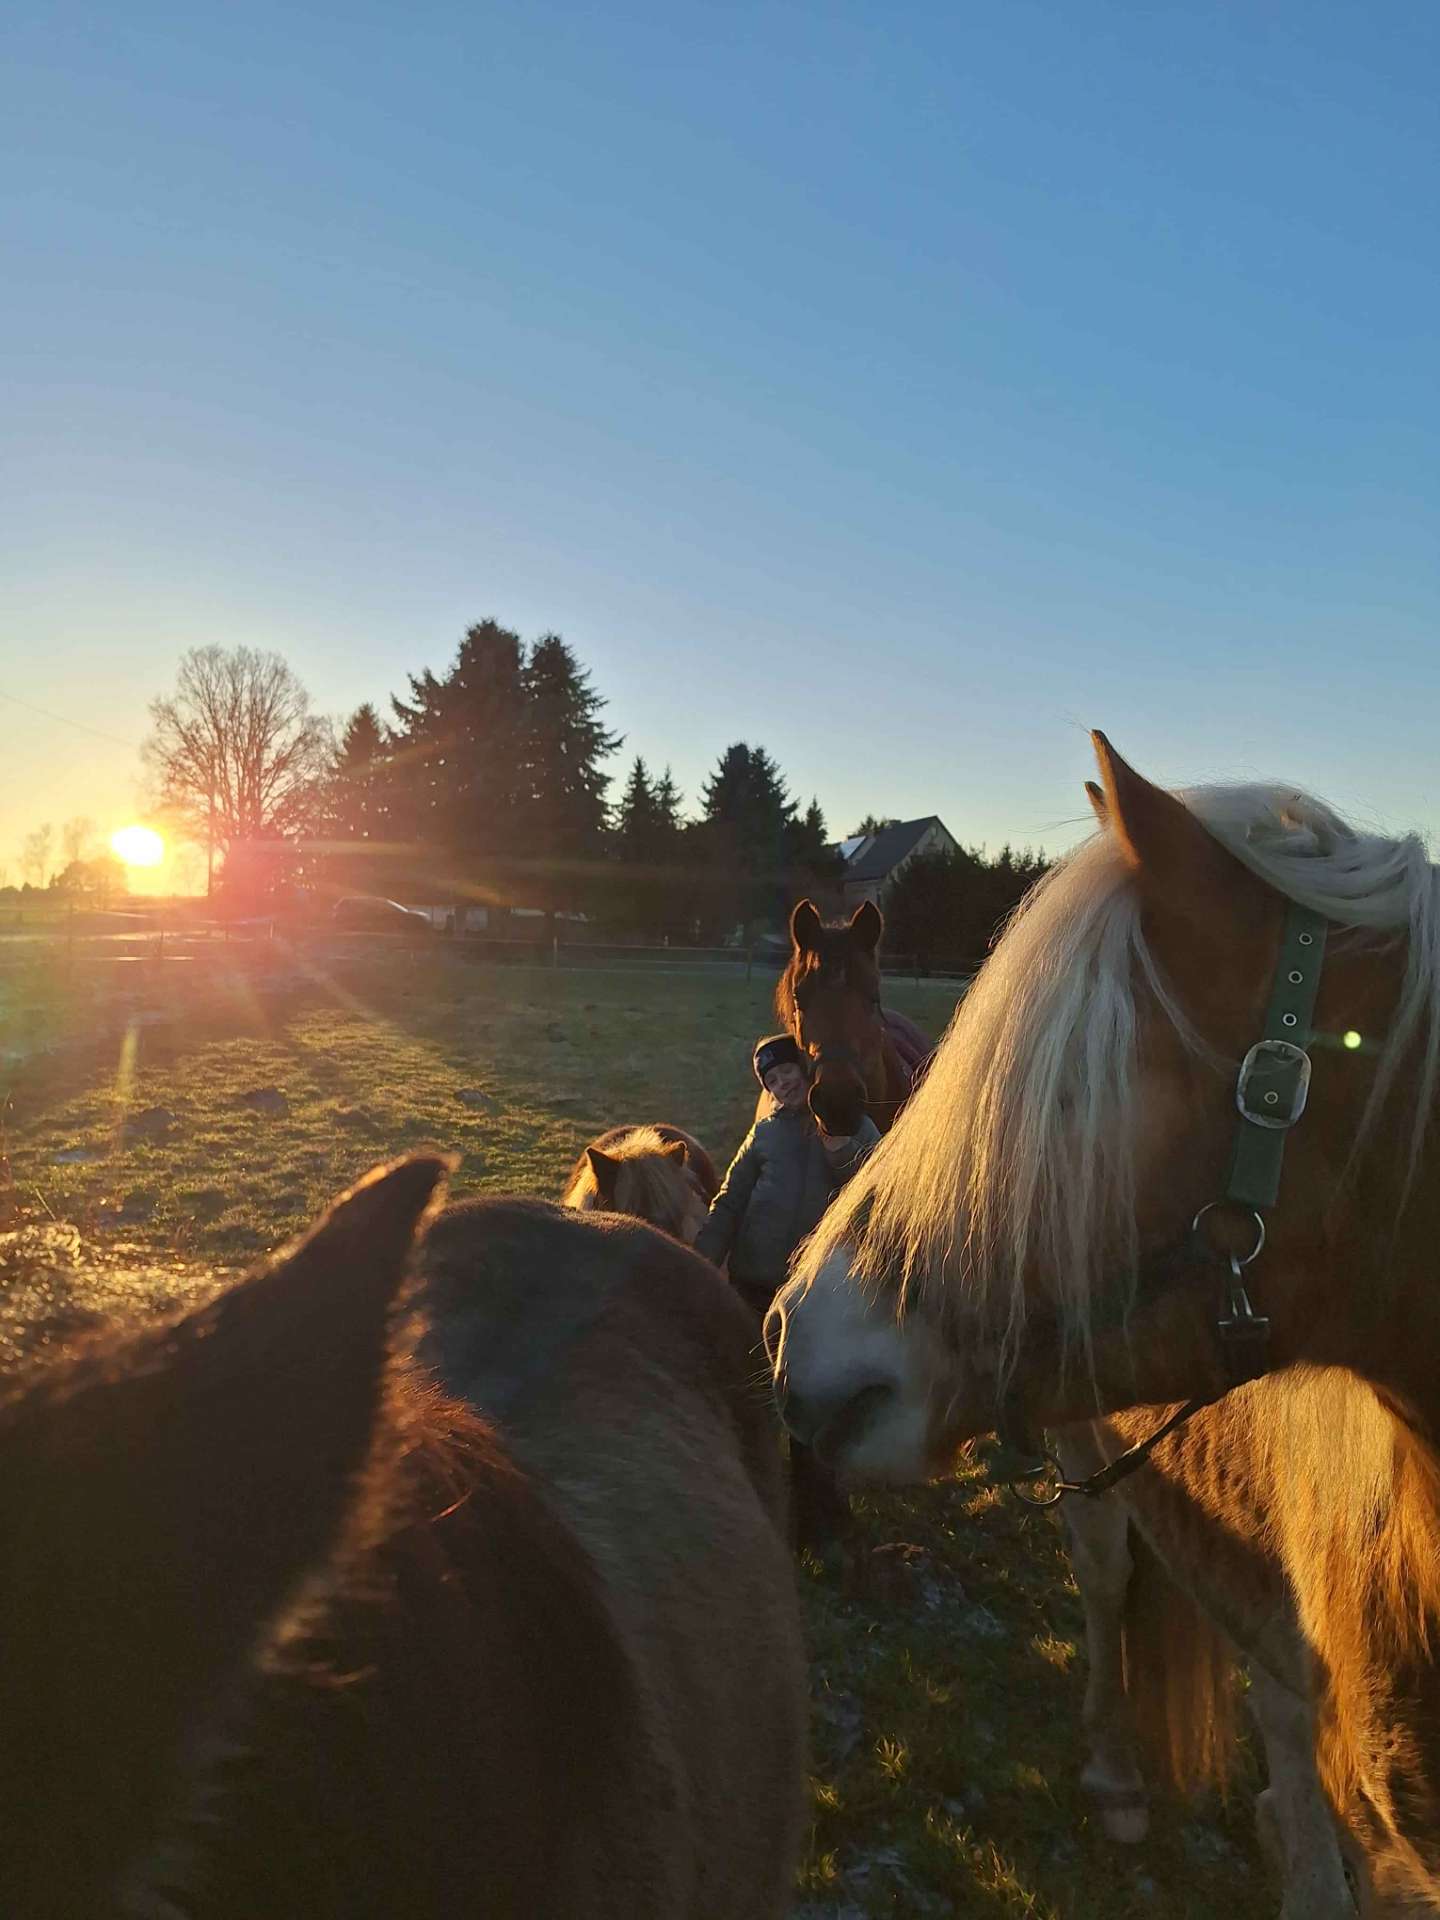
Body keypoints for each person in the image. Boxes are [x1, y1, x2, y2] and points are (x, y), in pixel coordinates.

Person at [695, 1033, 879, 1560]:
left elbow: (873, 1195)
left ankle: (819, 1516)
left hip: (815, 1289)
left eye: (788, 1073)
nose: (784, 1084)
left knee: (808, 1399)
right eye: (772, 1081)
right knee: (752, 1393)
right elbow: (731, 1199)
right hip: (754, 1279)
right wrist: (700, 1257)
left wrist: (839, 1149)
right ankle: (755, 1506)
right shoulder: (765, 1134)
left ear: (804, 1069)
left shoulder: (850, 1124)